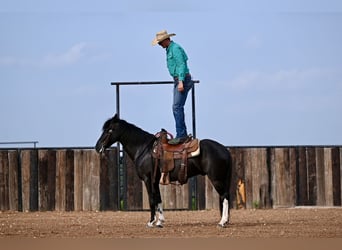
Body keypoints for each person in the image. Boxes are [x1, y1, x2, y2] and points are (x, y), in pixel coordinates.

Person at [152, 30, 194, 145]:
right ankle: (181, 134)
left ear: (166, 40)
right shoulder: (170, 49)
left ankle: (181, 135)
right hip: (178, 80)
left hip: (182, 79)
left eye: (160, 42)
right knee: (176, 107)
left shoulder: (175, 49)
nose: (160, 45)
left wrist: (180, 81)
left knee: (177, 107)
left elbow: (181, 64)